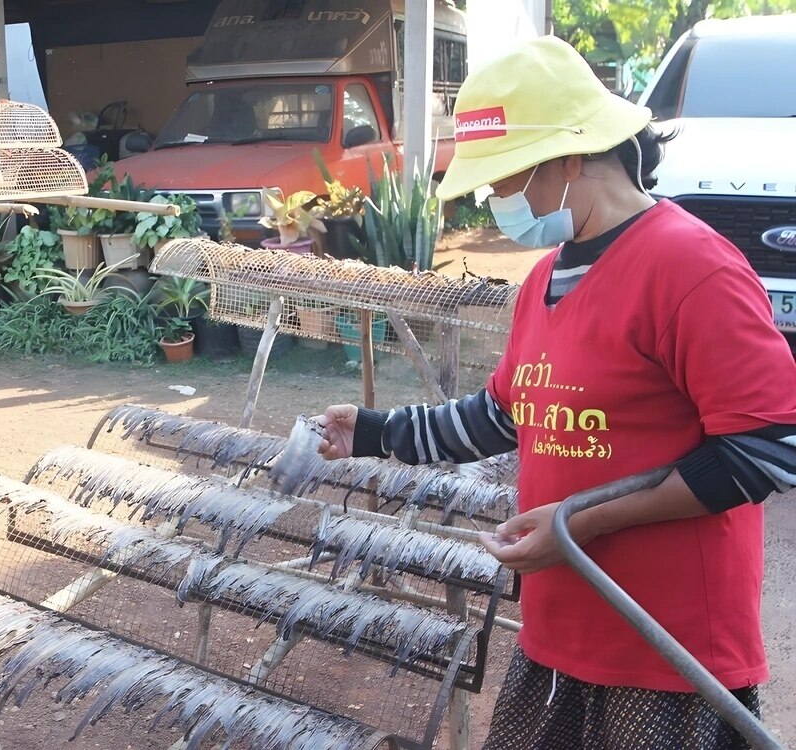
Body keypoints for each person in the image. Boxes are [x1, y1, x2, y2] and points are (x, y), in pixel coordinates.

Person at [316, 36, 796, 749]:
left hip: (664, 646)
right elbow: (506, 416)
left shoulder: (692, 266)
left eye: (507, 179)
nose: (498, 199)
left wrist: (580, 526)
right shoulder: (545, 279)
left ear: (572, 158)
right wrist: (375, 433)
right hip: (564, 629)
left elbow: (766, 450)